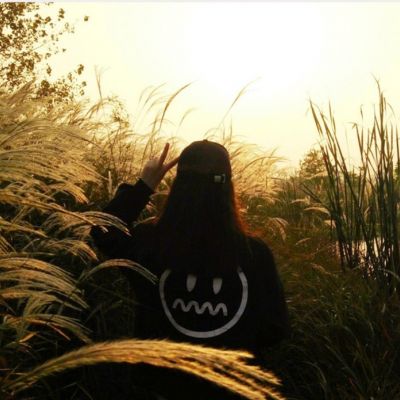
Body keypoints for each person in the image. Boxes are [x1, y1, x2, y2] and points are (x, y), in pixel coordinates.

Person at [90, 140, 289, 398]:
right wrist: (233, 339)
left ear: (177, 187)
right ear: (227, 188)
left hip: (158, 389)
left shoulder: (150, 241)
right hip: (231, 391)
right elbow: (275, 328)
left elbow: (103, 230)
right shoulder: (254, 253)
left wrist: (144, 185)